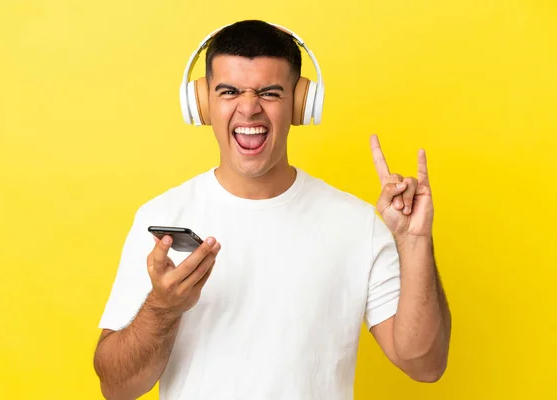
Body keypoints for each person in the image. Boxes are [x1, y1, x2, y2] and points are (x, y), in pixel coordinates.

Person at [93, 19, 451, 400]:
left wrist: (414, 243)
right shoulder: (162, 218)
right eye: (229, 91)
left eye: (270, 93)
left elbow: (425, 365)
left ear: (300, 103)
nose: (249, 109)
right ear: (202, 103)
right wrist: (163, 309)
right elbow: (117, 389)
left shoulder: (356, 223)